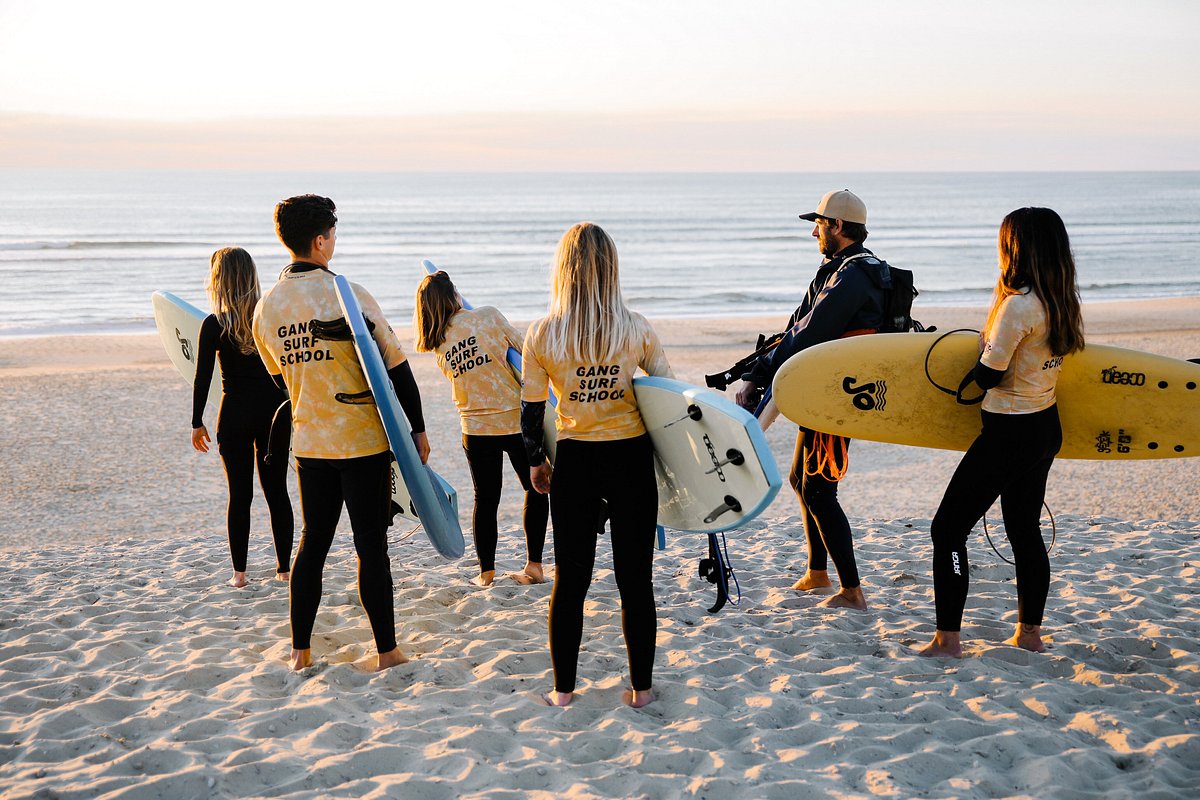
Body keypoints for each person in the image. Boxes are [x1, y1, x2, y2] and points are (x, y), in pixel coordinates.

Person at [252, 194, 429, 672]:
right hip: (363, 442)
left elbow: (280, 380)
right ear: (320, 240)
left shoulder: (266, 308)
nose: (334, 240)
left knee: (313, 542)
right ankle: (387, 652)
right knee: (371, 544)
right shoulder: (349, 294)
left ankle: (300, 652)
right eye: (332, 233)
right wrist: (417, 428)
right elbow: (396, 368)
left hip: (310, 444)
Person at [919, 207, 1084, 659]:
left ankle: (947, 641)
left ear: (1016, 248)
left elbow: (989, 375)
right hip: (1044, 427)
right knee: (1024, 531)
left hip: (1009, 432)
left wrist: (980, 354)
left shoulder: (1018, 305)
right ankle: (1029, 635)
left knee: (947, 531)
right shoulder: (1061, 299)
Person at [521, 222, 672, 708]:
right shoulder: (636, 328)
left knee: (571, 582)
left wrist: (537, 462)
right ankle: (641, 691)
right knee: (635, 580)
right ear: (611, 268)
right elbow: (669, 396)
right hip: (630, 460)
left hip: (576, 461)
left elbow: (531, 412)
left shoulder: (543, 333)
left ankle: (563, 693)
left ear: (562, 270)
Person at [735, 189, 890, 611]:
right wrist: (754, 372)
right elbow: (795, 328)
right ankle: (817, 572)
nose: (814, 233)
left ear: (837, 225)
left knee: (819, 489)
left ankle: (852, 591)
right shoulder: (838, 269)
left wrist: (760, 376)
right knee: (800, 480)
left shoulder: (853, 276)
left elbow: (810, 334)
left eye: (819, 224)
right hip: (822, 388)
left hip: (839, 393)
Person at [414, 270, 548, 587]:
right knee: (535, 488)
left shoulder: (438, 344)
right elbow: (525, 351)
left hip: (474, 429)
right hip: (514, 422)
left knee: (485, 499)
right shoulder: (488, 316)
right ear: (453, 295)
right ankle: (534, 567)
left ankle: (486, 574)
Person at [191, 246, 294, 588]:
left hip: (234, 414)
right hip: (275, 413)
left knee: (240, 496)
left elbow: (202, 377)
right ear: (251, 277)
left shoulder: (214, 325)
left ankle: (239, 575)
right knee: (277, 491)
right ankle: (284, 570)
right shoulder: (270, 317)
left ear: (219, 280)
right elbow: (290, 367)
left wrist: (197, 422)